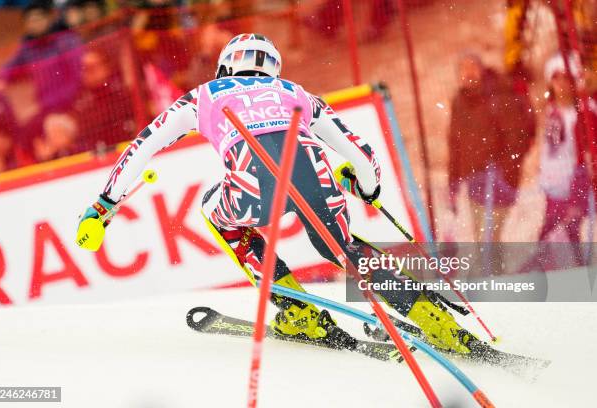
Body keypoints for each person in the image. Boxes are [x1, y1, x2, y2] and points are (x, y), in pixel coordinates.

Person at [77, 33, 479, 354]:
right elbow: (360, 153)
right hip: (314, 177)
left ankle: (298, 311)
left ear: (225, 66)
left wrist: (104, 205)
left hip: (251, 188)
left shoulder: (204, 94)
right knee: (340, 249)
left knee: (214, 212)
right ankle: (431, 316)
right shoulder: (294, 91)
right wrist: (365, 188)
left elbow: (142, 146)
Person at [448, 53, 536, 244]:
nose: (468, 73)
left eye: (472, 67)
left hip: (498, 182)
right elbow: (455, 145)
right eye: (463, 69)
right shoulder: (459, 102)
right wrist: (453, 182)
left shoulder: (499, 97)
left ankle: (493, 273)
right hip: (475, 183)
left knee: (488, 240)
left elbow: (517, 139)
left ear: (482, 70)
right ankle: (494, 273)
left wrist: (505, 174)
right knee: (484, 242)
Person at [537, 53, 596, 248]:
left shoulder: (585, 112)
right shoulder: (552, 112)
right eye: (556, 79)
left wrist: (577, 191)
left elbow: (587, 155)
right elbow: (551, 151)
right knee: (549, 236)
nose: (561, 84)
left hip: (577, 185)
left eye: (565, 78)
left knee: (569, 234)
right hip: (554, 187)